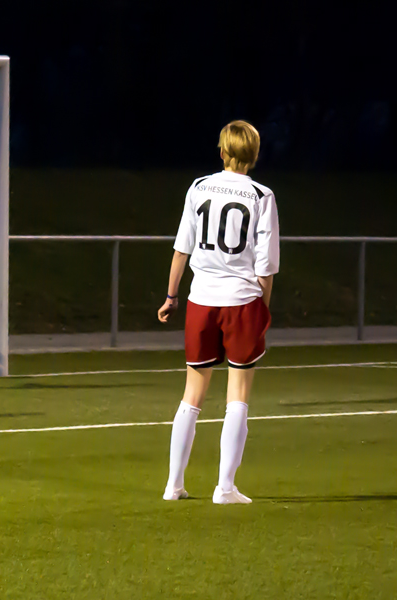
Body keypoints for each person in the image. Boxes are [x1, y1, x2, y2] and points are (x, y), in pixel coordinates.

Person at [158, 120, 279, 504]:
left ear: (222, 151)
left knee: (192, 393)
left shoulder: (198, 187)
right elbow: (266, 265)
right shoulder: (262, 196)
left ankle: (173, 485)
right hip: (241, 301)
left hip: (201, 300)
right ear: (254, 155)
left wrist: (171, 296)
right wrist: (262, 307)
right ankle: (225, 488)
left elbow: (182, 248)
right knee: (238, 393)